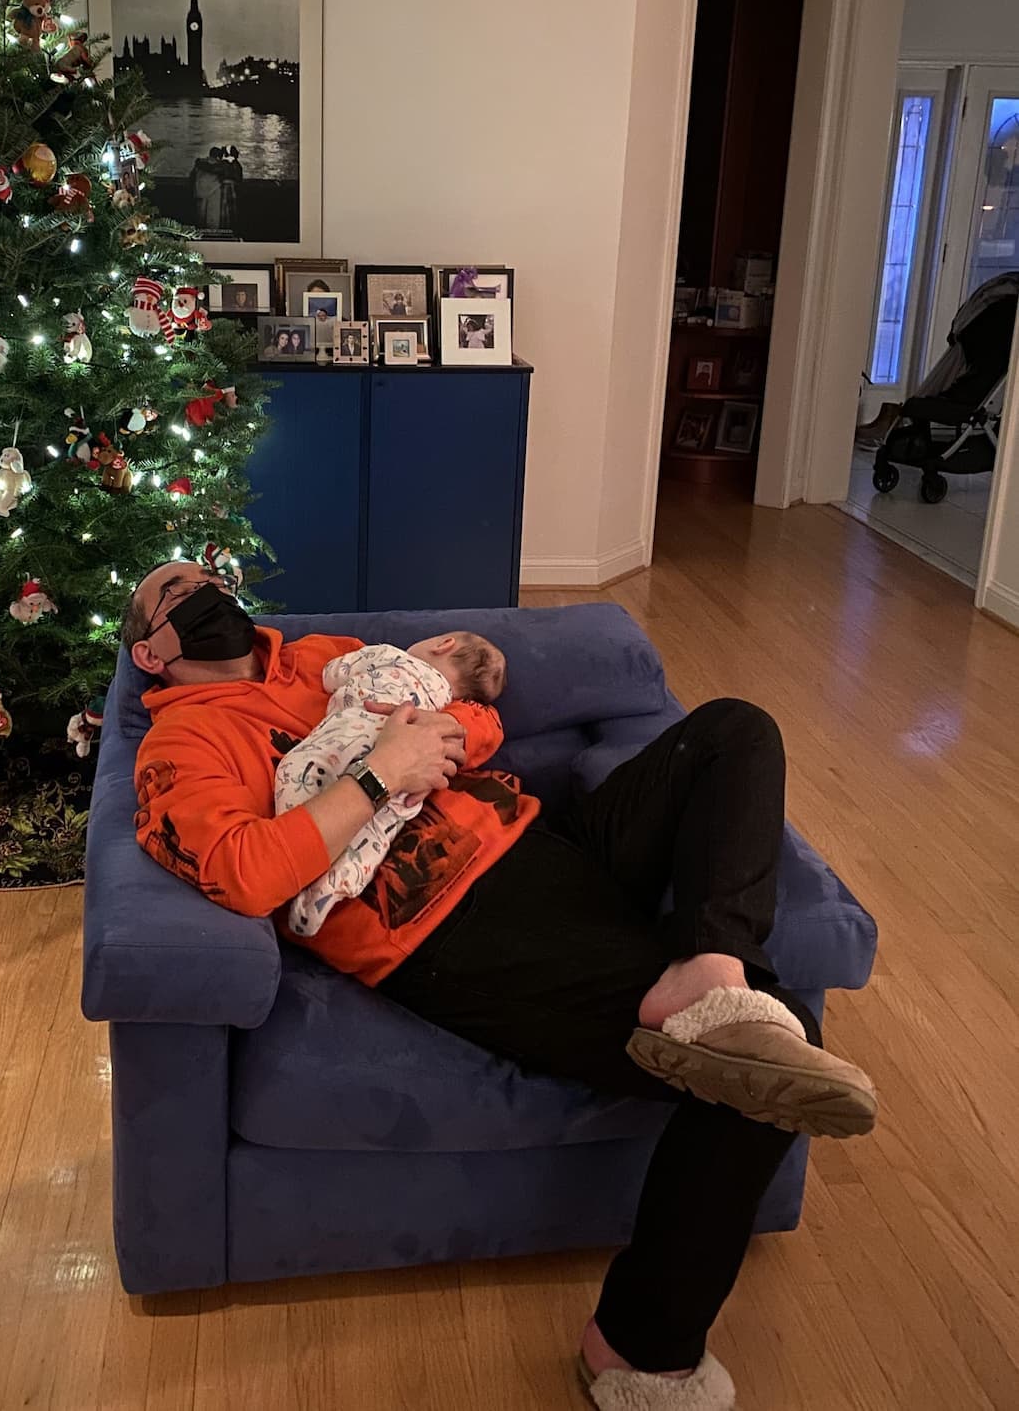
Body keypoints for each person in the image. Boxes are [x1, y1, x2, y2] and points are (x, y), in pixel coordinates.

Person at [122, 562, 877, 1410]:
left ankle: (712, 967)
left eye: (207, 577)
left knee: (736, 730)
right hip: (447, 923)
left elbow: (476, 717)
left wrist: (443, 732)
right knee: (775, 1063)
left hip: (545, 839)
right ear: (151, 651)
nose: (206, 593)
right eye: (175, 595)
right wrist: (379, 771)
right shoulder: (180, 745)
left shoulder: (318, 658)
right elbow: (243, 872)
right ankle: (637, 1346)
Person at [281, 632, 507, 937]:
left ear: (443, 644)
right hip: (415, 763)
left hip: (353, 732)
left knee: (298, 770)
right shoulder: (441, 703)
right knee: (380, 825)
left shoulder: (390, 655)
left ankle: (311, 862)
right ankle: (340, 880)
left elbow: (332, 674)